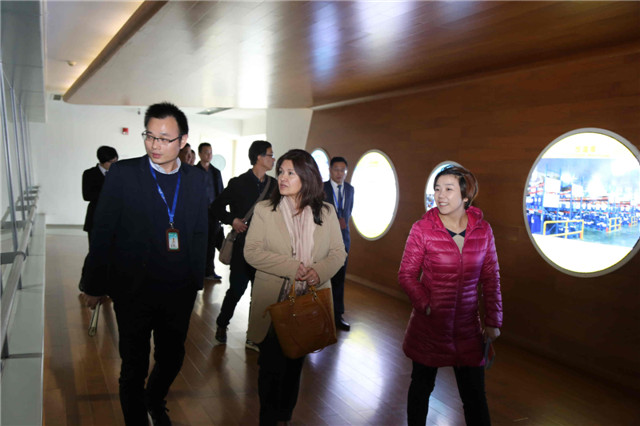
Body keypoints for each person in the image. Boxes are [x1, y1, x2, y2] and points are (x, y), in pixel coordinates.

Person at [82, 102, 209, 426]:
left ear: (183, 141)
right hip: (132, 290)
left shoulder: (196, 179)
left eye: (164, 138)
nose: (155, 145)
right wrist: (93, 285)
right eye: (149, 136)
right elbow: (103, 231)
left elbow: (199, 231)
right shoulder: (124, 174)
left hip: (178, 291)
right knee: (133, 365)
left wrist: (196, 279)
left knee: (173, 357)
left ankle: (154, 398)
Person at [244, 149, 347, 425]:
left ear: (307, 176)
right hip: (273, 303)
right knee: (270, 368)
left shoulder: (326, 211)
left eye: (290, 172)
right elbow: (251, 252)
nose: (282, 177)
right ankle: (267, 419)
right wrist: (291, 267)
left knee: (294, 365)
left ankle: (284, 417)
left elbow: (338, 253)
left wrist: (318, 272)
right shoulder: (266, 210)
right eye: (281, 171)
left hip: (308, 303)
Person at [398, 165, 502, 426]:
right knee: (421, 388)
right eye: (437, 189)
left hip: (468, 327)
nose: (440, 195)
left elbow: (491, 277)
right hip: (430, 326)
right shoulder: (422, 229)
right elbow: (407, 274)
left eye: (448, 189)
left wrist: (493, 320)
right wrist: (426, 305)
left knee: (475, 396)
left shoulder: (483, 230)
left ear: (466, 196)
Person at [211, 140, 276, 350]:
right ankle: (222, 323)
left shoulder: (274, 185)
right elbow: (216, 207)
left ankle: (254, 335)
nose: (273, 159)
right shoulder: (238, 183)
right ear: (259, 157)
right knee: (236, 290)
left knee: (259, 295)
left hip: (266, 248)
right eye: (270, 155)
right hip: (242, 247)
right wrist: (233, 220)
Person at [323, 156, 354, 331]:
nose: (339, 173)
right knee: (321, 278)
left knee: (339, 279)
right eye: (336, 169)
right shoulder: (321, 188)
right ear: (330, 170)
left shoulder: (350, 189)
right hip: (323, 241)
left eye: (343, 170)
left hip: (343, 241)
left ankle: (337, 315)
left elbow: (348, 213)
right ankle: (318, 314)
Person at [195, 142, 224, 280]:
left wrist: (221, 212)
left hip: (213, 214)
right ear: (200, 153)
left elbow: (221, 193)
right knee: (199, 243)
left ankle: (209, 271)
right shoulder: (193, 171)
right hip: (198, 214)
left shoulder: (216, 172)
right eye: (206, 152)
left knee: (212, 243)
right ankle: (197, 271)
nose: (209, 155)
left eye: (210, 152)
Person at [82, 145, 118, 243]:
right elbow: (87, 196)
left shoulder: (119, 173)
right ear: (102, 161)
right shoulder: (89, 174)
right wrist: (108, 192)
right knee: (96, 248)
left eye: (116, 161)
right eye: (111, 162)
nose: (114, 165)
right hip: (95, 217)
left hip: (115, 219)